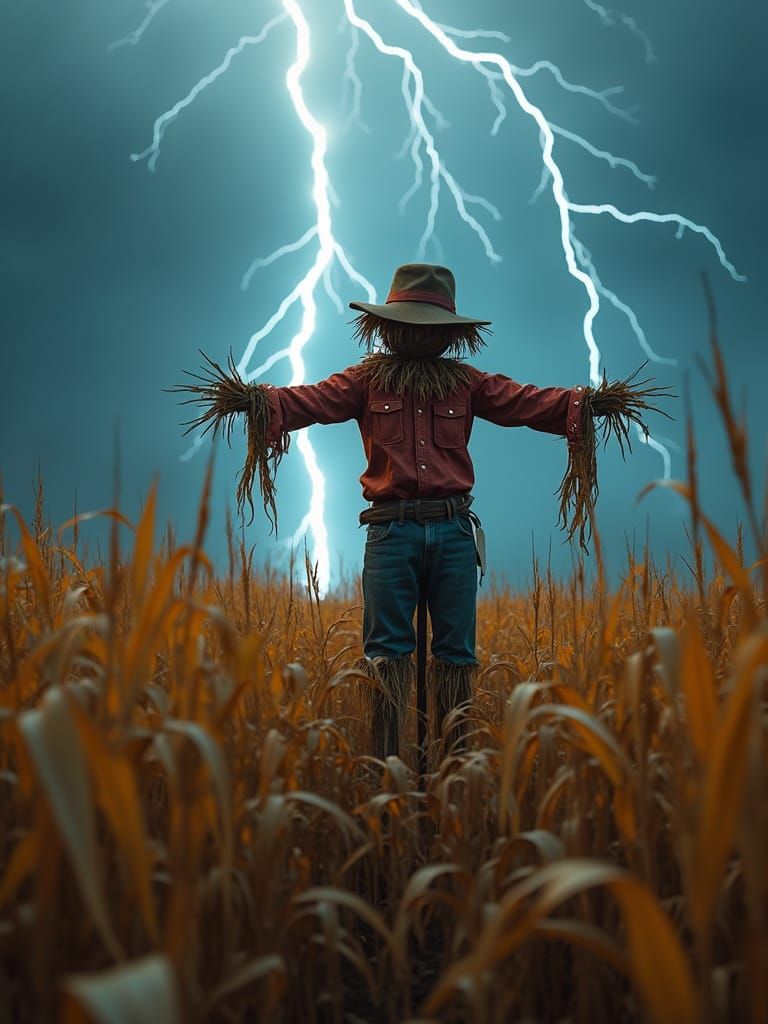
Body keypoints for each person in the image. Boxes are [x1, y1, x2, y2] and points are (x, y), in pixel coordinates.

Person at [174, 262, 666, 761]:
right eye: (409, 324)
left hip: (453, 533)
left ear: (448, 335)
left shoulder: (467, 384)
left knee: (455, 658)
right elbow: (312, 400)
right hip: (391, 536)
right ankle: (387, 775)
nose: (417, 335)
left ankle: (453, 776)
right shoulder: (366, 381)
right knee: (387, 656)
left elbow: (525, 402)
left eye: (428, 327)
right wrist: (258, 401)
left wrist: (586, 404)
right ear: (388, 326)